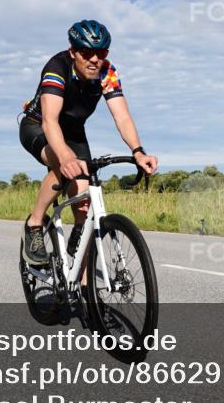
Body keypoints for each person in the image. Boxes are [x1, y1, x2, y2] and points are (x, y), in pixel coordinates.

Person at [19, 20, 157, 266]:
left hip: (73, 131)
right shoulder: (57, 67)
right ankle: (35, 223)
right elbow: (51, 121)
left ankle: (83, 289)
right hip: (37, 126)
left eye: (101, 52)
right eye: (86, 52)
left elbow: (122, 116)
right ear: (73, 52)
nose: (94, 59)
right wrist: (66, 158)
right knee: (63, 167)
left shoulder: (107, 72)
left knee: (83, 203)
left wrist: (138, 151)